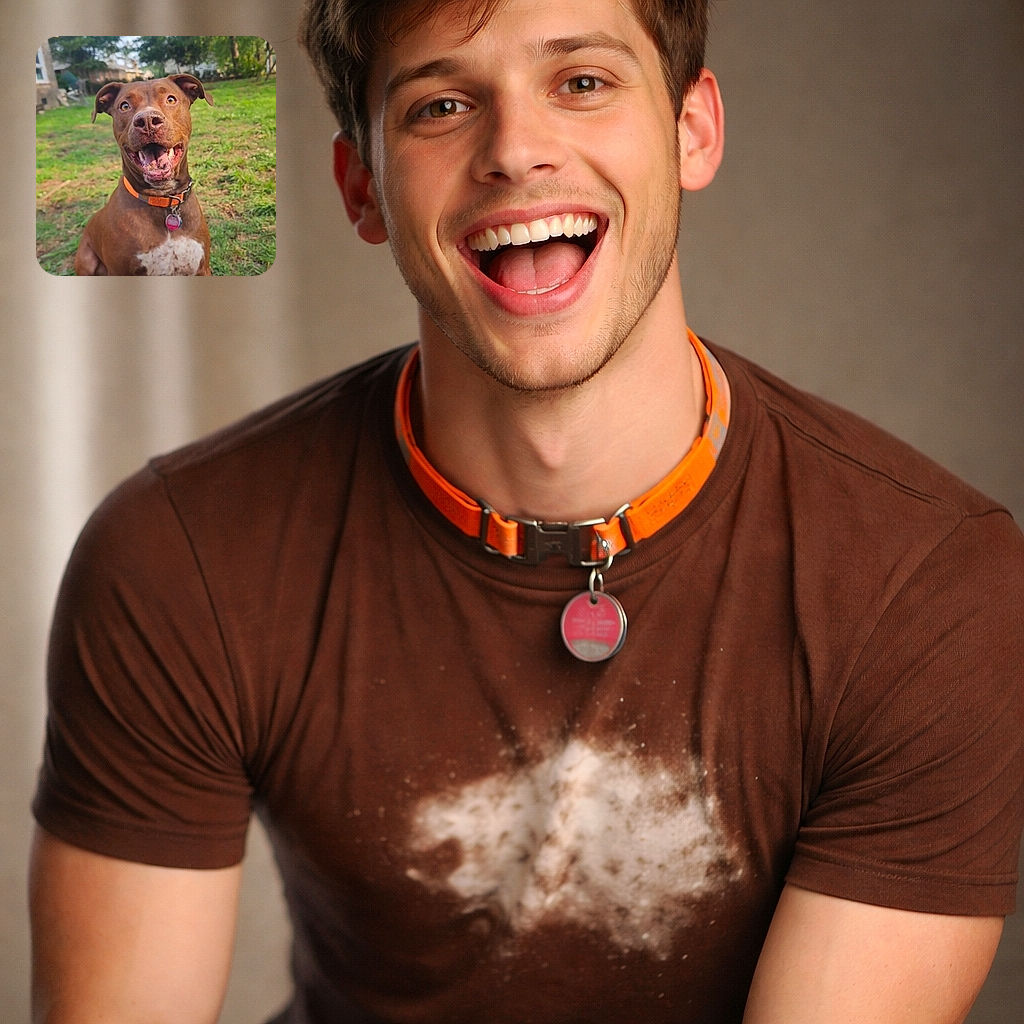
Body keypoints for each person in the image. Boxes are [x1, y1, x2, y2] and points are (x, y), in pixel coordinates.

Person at [29, 1, 1024, 1021]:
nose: (516, 150)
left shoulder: (926, 581)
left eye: (581, 83)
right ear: (361, 188)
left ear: (693, 129)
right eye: (443, 104)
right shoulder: (179, 557)